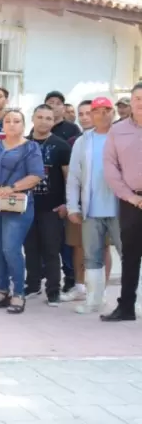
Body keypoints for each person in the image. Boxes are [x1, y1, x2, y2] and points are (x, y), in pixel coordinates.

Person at [0, 109, 45, 314]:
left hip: (16, 204)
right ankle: (2, 290)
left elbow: (36, 175)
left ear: (23, 125)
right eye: (8, 121)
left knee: (10, 248)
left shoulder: (30, 147)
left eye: (16, 121)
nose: (12, 124)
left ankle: (19, 292)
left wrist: (12, 188)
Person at [66, 97, 122, 314]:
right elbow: (74, 176)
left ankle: (136, 302)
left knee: (131, 255)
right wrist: (73, 206)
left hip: (121, 209)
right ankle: (94, 301)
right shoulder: (83, 141)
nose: (102, 114)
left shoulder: (123, 137)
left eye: (107, 110)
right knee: (91, 257)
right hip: (91, 210)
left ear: (113, 113)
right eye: (97, 111)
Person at [101, 82, 142, 322]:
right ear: (131, 102)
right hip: (130, 201)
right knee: (131, 255)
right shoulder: (117, 131)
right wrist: (131, 197)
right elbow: (110, 166)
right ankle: (126, 307)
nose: (141, 103)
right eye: (137, 98)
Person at [24, 104, 71, 306]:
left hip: (52, 208)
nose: (44, 122)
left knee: (52, 250)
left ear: (54, 121)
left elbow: (69, 177)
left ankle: (53, 290)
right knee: (30, 248)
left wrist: (67, 203)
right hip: (26, 207)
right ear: (33, 119)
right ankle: (32, 285)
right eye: (40, 117)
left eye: (48, 118)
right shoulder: (23, 144)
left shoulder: (61, 146)